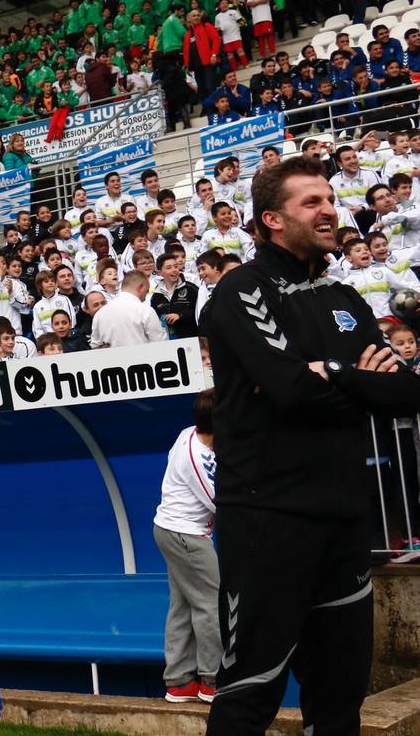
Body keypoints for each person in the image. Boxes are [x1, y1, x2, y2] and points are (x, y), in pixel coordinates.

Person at [203, 156, 420, 734]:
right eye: (312, 202)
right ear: (272, 220)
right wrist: (353, 381)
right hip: (269, 520)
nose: (330, 210)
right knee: (251, 691)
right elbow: (292, 390)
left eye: (330, 198)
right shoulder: (241, 291)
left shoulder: (345, 297)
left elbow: (405, 392)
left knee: (340, 695)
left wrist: (337, 372)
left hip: (346, 519)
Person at [154, 389, 219, 705]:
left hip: (169, 530)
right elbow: (220, 502)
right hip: (186, 536)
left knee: (182, 605)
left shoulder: (188, 433)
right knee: (212, 604)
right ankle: (213, 680)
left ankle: (179, 683)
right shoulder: (199, 457)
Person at [90, 270, 166, 348]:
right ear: (141, 287)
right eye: (146, 292)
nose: (145, 298)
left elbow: (95, 346)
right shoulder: (145, 310)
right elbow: (160, 343)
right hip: (143, 358)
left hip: (112, 359)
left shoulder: (100, 314)